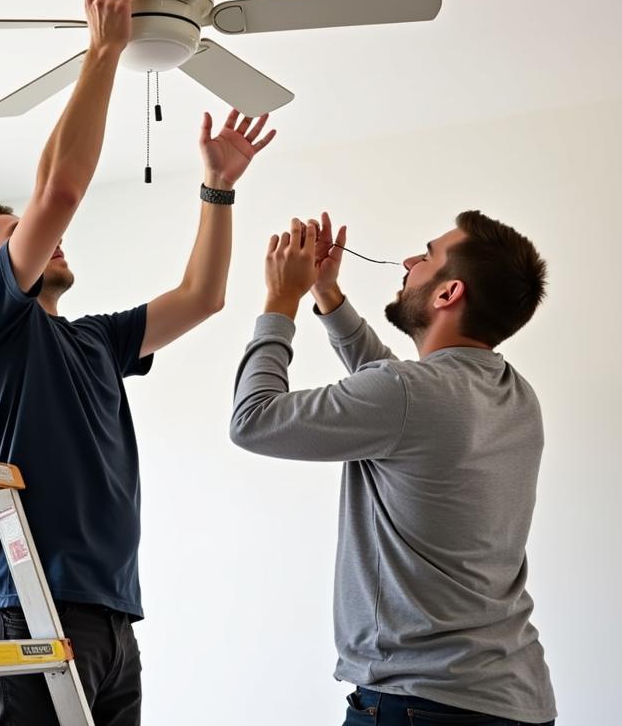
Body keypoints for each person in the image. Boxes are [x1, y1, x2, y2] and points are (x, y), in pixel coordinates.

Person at [0, 0, 276, 726]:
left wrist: (216, 187)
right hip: (24, 610)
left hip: (111, 617)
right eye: (18, 234)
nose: (49, 239)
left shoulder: (93, 341)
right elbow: (57, 191)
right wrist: (104, 53)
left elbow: (202, 299)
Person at [230, 211, 557, 725]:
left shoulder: (409, 394)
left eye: (425, 256)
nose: (407, 262)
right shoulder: (513, 393)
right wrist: (326, 294)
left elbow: (253, 421)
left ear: (448, 294)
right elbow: (394, 395)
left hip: (420, 704)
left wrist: (280, 301)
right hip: (517, 701)